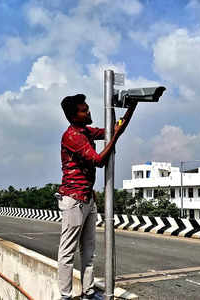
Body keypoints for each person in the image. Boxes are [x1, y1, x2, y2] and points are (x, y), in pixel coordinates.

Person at [57, 94, 136, 300]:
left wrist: (132, 108)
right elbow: (99, 160)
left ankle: (88, 292)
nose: (89, 112)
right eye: (84, 110)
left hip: (87, 198)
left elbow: (114, 131)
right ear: (74, 116)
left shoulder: (86, 131)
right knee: (67, 252)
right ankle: (66, 296)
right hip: (73, 200)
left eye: (87, 108)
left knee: (89, 251)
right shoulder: (72, 136)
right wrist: (115, 136)